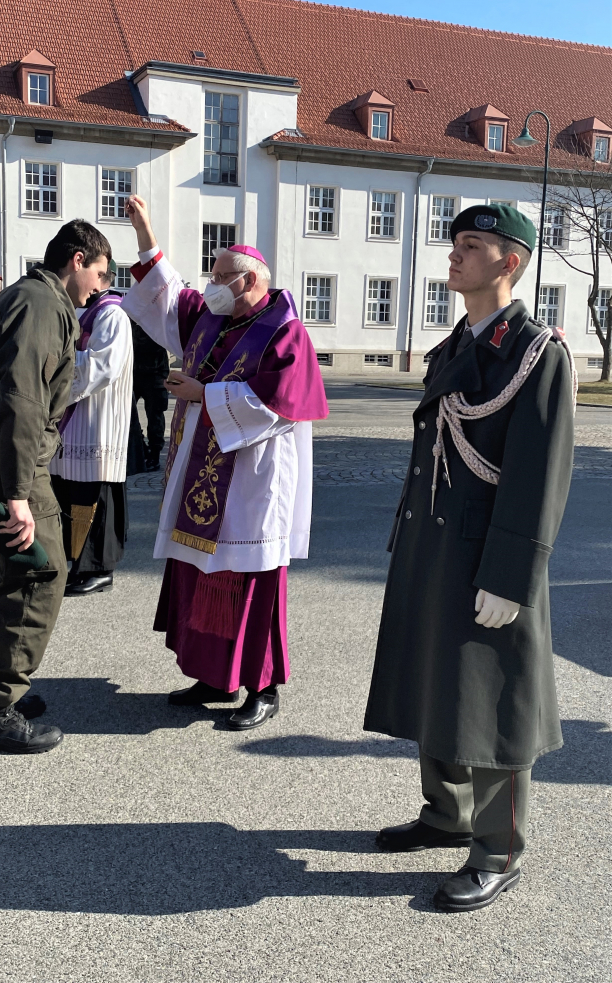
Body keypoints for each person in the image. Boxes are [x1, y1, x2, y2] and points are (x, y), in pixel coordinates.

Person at [363, 204, 576, 912]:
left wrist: (512, 575)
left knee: (494, 700)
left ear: (509, 262)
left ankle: (499, 848)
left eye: (473, 245)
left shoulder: (537, 353)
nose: (455, 255)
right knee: (438, 679)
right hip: (435, 545)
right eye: (455, 243)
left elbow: (538, 473)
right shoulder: (459, 342)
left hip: (490, 554)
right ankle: (446, 812)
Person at [122, 195, 328, 730]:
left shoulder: (284, 330)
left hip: (255, 482)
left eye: (220, 276)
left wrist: (204, 391)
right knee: (200, 572)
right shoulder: (212, 318)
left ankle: (264, 686)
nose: (210, 284)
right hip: (205, 478)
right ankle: (213, 675)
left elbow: (280, 404)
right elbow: (166, 296)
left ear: (249, 281)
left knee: (251, 582)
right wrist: (146, 232)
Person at [0, 220, 111, 753]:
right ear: (76, 260)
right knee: (40, 575)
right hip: (7, 460)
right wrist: (17, 493)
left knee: (19, 571)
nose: (101, 287)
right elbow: (22, 398)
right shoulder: (41, 304)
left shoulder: (21, 295)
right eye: (100, 274)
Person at [50, 259, 133, 596]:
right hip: (74, 420)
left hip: (98, 421)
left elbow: (103, 366)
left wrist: (56, 360)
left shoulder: (112, 314)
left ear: (101, 279)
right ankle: (77, 561)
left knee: (96, 497)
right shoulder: (83, 310)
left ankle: (99, 567)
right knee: (71, 494)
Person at [132, 322, 170, 471]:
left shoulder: (157, 314)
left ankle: (153, 455)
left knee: (155, 417)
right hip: (134, 372)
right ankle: (142, 449)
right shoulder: (131, 311)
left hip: (155, 373)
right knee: (128, 415)